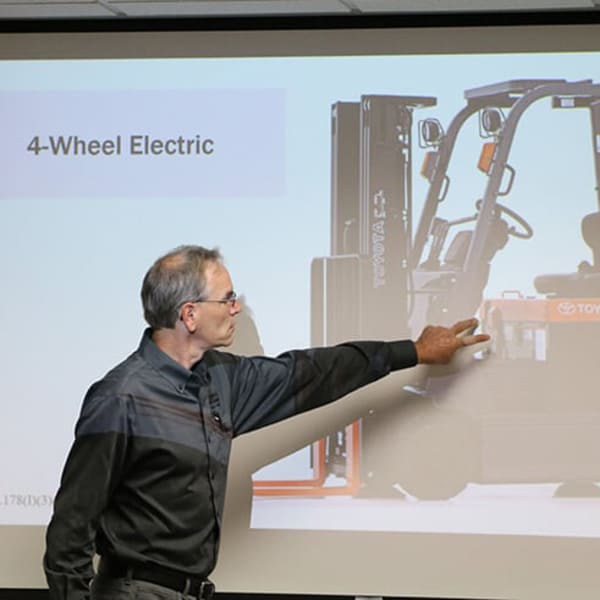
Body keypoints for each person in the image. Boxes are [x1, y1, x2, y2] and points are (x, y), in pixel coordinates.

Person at [44, 244, 490, 600]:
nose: (235, 308)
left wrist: (411, 351)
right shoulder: (122, 397)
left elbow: (315, 371)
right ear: (189, 314)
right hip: (132, 591)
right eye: (227, 299)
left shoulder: (222, 379)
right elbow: (71, 526)